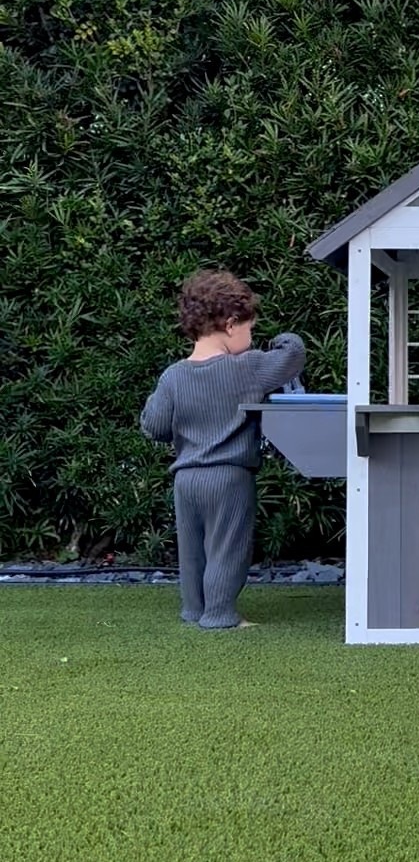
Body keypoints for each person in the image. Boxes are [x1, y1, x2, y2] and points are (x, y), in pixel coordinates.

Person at [140, 270, 306, 630]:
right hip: (229, 475)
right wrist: (283, 338)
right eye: (250, 329)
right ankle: (219, 614)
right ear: (231, 325)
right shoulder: (247, 368)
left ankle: (193, 610)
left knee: (192, 550)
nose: (252, 338)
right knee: (228, 548)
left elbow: (154, 426)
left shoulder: (172, 377)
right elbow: (293, 354)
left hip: (186, 478)